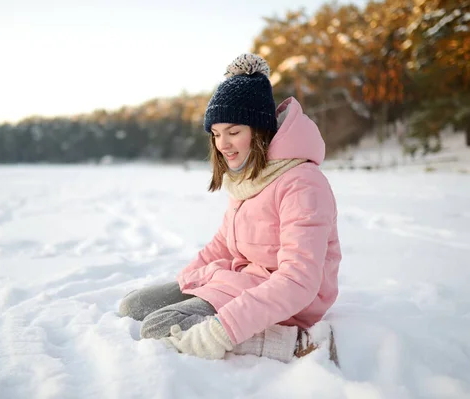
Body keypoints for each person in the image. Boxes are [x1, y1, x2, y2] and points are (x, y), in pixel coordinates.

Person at [118, 53, 341, 365]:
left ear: (260, 130)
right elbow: (223, 243)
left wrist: (220, 331)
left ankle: (300, 343)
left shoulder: (302, 183)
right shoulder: (249, 177)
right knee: (134, 306)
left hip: (289, 301)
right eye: (216, 133)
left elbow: (299, 280)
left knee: (157, 327)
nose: (223, 143)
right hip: (244, 282)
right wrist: (191, 281)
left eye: (234, 131)